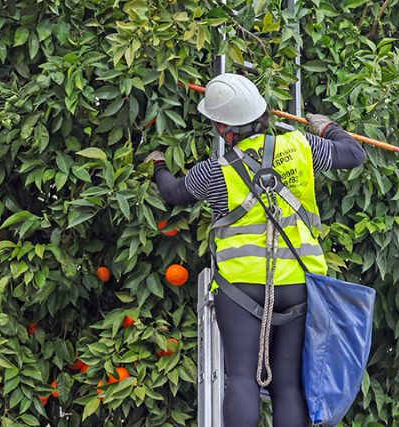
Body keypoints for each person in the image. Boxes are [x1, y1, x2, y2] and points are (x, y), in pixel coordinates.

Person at [145, 73, 366, 427]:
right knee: (289, 384)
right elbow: (354, 154)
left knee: (244, 379)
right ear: (263, 113)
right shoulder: (300, 146)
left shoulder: (215, 171)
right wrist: (327, 128)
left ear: (222, 127)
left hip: (240, 288)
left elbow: (173, 193)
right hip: (298, 283)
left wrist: (158, 166)